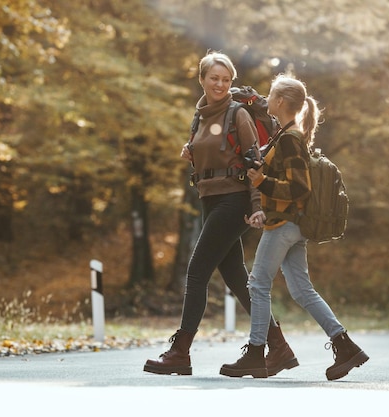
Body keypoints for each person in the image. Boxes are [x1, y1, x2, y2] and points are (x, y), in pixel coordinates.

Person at [219, 73, 369, 381]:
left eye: (271, 95)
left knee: (258, 284)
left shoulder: (290, 138)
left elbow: (299, 189)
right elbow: (288, 185)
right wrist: (263, 207)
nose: (267, 99)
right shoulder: (285, 134)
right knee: (302, 290)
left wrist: (261, 181)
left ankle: (256, 353)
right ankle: (345, 345)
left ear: (281, 102)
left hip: (286, 225)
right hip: (290, 223)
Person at [143, 51, 266, 376]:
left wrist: (256, 207)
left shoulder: (238, 114)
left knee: (197, 272)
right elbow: (216, 156)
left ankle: (180, 352)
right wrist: (192, 154)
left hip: (235, 201)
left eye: (226, 80)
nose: (220, 85)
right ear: (202, 79)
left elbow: (255, 163)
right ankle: (276, 344)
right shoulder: (200, 116)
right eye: (214, 78)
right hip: (211, 200)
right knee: (237, 278)